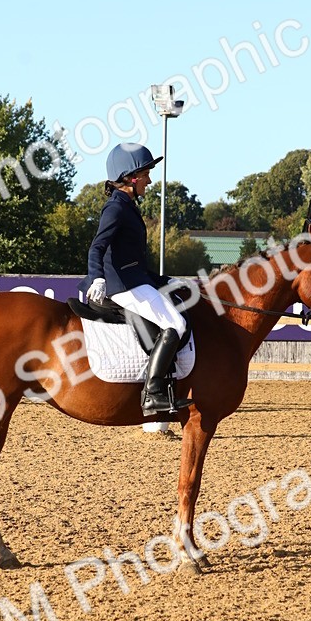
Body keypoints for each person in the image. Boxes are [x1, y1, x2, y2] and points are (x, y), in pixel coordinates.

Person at [84, 142, 192, 416]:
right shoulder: (116, 208)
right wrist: (97, 278)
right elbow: (97, 246)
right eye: (146, 174)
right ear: (131, 177)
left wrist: (165, 280)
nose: (149, 179)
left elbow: (133, 259)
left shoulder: (127, 205)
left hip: (136, 279)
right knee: (175, 324)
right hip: (122, 285)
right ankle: (152, 394)